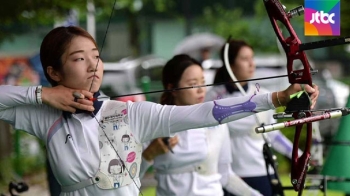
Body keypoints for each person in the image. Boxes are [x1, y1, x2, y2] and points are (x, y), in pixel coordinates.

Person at [0, 26, 319, 196]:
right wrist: (42, 93)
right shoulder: (45, 117)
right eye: (79, 58)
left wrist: (277, 97)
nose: (93, 65)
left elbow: (206, 113)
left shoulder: (129, 114)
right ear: (54, 71)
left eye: (96, 55)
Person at [140, 54, 264, 196]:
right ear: (172, 88)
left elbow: (225, 176)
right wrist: (149, 154)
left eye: (203, 82)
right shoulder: (154, 124)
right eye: (193, 84)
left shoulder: (217, 122)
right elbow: (129, 177)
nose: (201, 90)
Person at [205, 39, 304, 196]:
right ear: (230, 65)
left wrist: (298, 155)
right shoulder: (213, 97)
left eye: (252, 58)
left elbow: (272, 133)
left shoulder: (262, 94)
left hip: (262, 170)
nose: (251, 64)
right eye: (244, 59)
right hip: (231, 174)